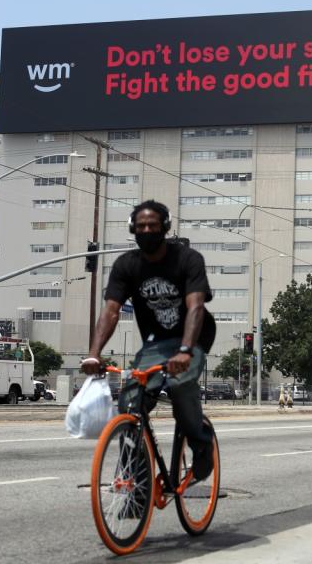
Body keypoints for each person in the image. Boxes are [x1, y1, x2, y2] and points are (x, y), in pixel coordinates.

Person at [81, 200, 217, 491]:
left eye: (152, 226)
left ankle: (201, 444)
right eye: (140, 226)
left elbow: (195, 306)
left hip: (193, 337)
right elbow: (111, 310)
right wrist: (94, 355)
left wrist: (185, 351)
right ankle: (137, 486)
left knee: (180, 385)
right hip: (156, 343)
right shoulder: (126, 266)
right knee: (130, 403)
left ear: (165, 227)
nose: (146, 231)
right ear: (133, 229)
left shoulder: (187, 259)